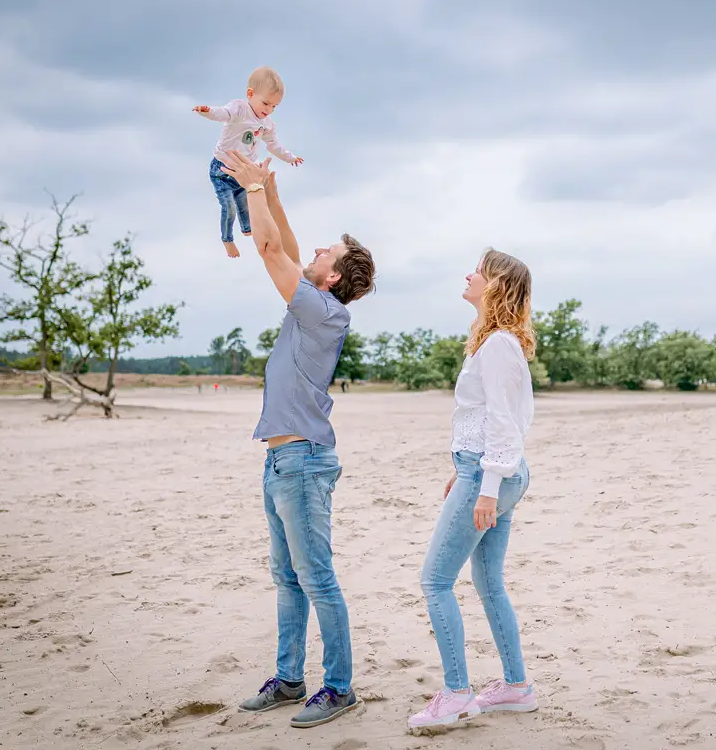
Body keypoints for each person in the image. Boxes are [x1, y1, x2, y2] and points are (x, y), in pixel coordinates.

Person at [219, 150, 375, 729]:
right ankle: (289, 680)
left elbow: (268, 250)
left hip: (304, 462)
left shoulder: (323, 311)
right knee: (287, 578)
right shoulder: (316, 299)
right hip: (281, 460)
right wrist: (269, 192)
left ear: (332, 277)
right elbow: (283, 242)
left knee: (317, 578)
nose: (313, 252)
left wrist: (254, 191)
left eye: (324, 253)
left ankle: (338, 688)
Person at [409, 249, 539, 731]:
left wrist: (484, 484)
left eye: (478, 271)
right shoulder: (493, 343)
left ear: (496, 285)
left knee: (435, 581)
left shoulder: (499, 345)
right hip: (490, 470)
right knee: (487, 582)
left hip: (492, 476)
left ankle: (458, 693)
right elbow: (489, 419)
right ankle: (515, 687)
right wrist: (465, 466)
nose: (468, 274)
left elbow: (508, 422)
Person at [194, 67, 303, 258]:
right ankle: (227, 240)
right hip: (222, 170)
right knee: (230, 208)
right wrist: (207, 111)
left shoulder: (268, 123)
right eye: (266, 103)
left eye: (274, 107)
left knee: (245, 204)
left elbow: (273, 145)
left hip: (243, 171)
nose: (268, 110)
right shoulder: (239, 109)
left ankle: (247, 228)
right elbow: (222, 114)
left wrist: (290, 157)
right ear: (250, 94)